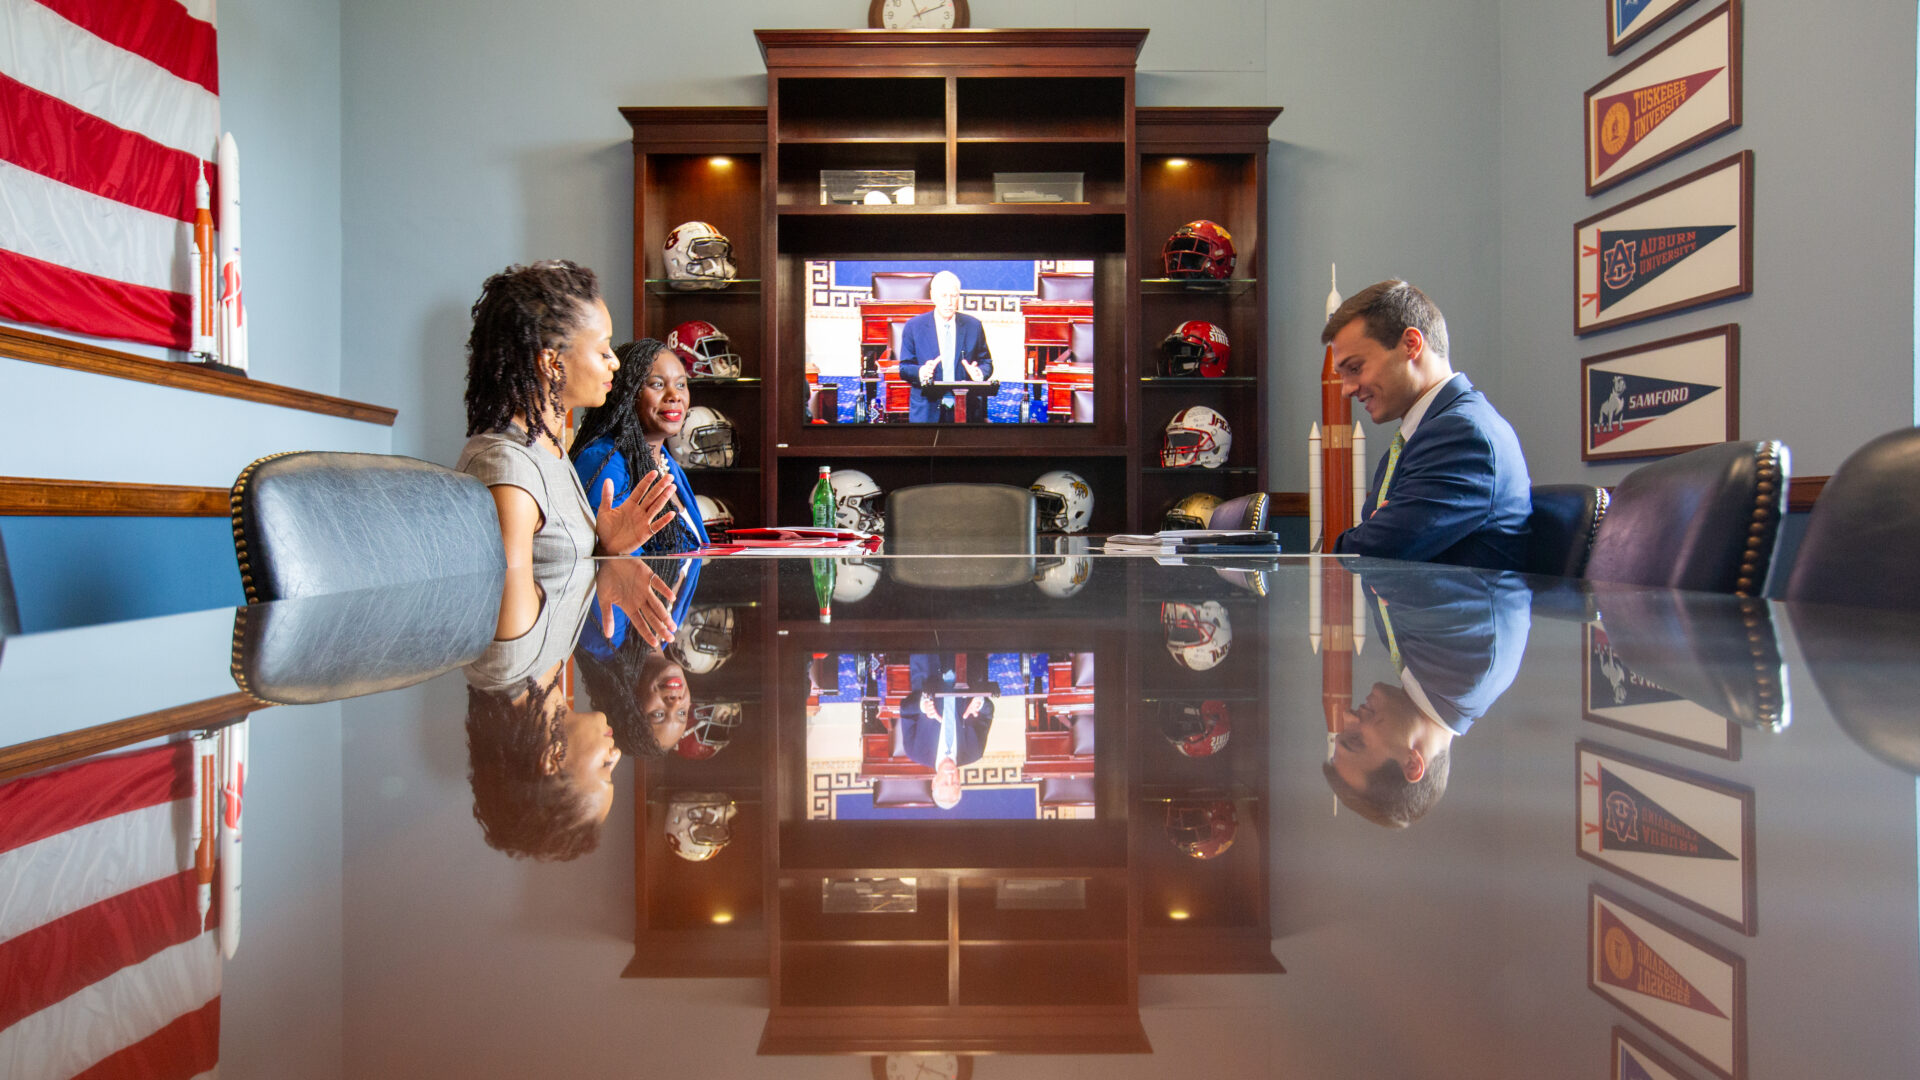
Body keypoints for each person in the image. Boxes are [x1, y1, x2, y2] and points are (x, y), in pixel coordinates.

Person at [455, 260, 676, 572]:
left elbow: (555, 575)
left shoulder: (550, 450)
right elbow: (511, 616)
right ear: (552, 363)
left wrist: (606, 548)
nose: (614, 362)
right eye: (603, 351)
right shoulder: (508, 468)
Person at [1324, 280, 1531, 570]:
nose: (1346, 390)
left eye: (1355, 368)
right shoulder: (1419, 437)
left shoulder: (1460, 435)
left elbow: (1372, 550)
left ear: (1411, 345)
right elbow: (1375, 540)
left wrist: (1370, 534)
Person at [1324, 567, 1531, 828]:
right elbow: (1384, 558)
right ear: (1412, 763)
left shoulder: (1427, 677)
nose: (1347, 716)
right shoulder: (1464, 675)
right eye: (1356, 740)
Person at [571, 338, 708, 555]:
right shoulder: (603, 461)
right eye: (657, 384)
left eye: (681, 384)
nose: (675, 396)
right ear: (627, 394)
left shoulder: (664, 460)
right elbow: (611, 565)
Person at [897, 653, 997, 809]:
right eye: (955, 782)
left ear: (934, 781)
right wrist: (979, 702)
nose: (951, 777)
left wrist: (923, 706)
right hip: (968, 665)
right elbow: (988, 712)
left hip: (928, 666)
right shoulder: (975, 752)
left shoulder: (914, 751)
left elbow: (905, 710)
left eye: (945, 783)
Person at [897, 270, 993, 422]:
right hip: (927, 409)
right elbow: (904, 368)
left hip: (966, 407)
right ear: (933, 296)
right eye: (943, 296)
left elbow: (986, 363)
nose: (949, 302)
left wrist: (979, 373)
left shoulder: (974, 326)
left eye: (953, 296)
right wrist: (921, 371)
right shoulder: (914, 327)